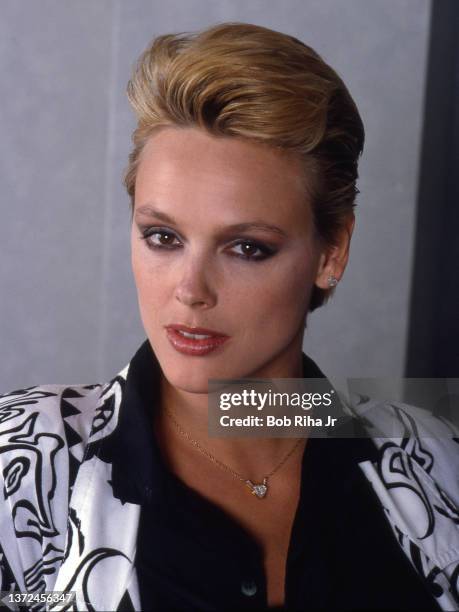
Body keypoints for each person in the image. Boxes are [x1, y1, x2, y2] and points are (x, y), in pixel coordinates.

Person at [0, 22, 457, 612]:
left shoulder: (436, 459)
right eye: (163, 237)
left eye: (246, 248)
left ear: (331, 252)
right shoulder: (23, 461)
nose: (191, 290)